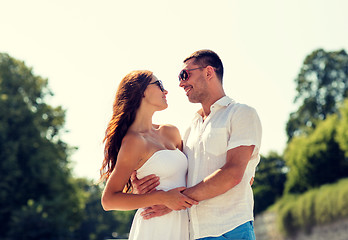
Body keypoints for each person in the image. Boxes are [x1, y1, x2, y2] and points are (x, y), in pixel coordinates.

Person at [132, 50, 262, 240]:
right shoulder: (189, 128)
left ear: (208, 72)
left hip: (231, 229)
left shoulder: (242, 113)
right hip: (194, 233)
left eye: (185, 75)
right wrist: (141, 189)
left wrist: (173, 201)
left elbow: (233, 174)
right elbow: (177, 173)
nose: (181, 83)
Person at [100, 70, 198, 240]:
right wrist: (160, 197)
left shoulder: (170, 132)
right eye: (159, 85)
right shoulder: (133, 142)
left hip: (185, 224)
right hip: (154, 227)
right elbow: (108, 200)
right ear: (142, 91)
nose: (165, 91)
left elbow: (192, 176)